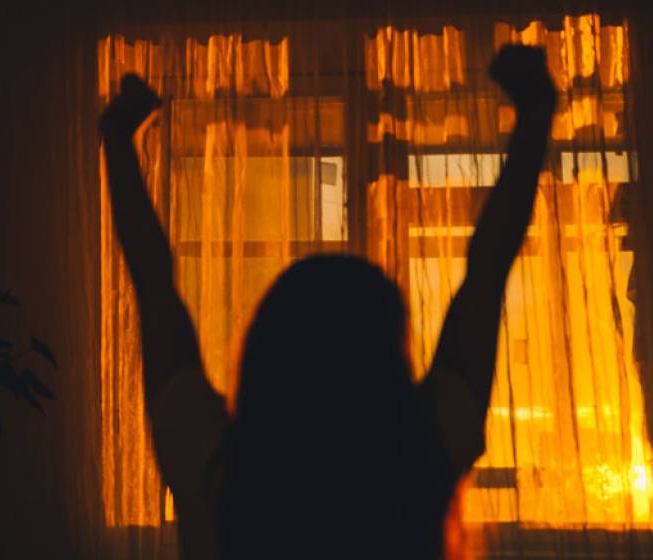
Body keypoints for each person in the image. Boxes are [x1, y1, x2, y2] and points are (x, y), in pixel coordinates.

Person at [99, 44, 557, 560]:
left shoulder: (213, 465)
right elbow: (487, 273)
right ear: (387, 354)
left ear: (267, 349)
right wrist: (534, 113)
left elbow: (155, 288)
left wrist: (117, 138)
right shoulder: (428, 447)